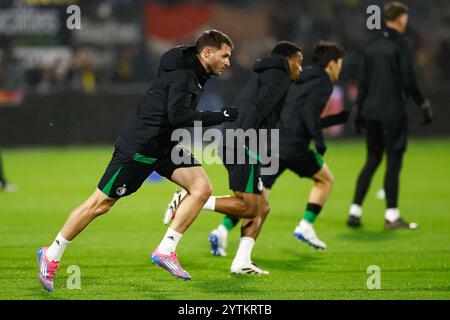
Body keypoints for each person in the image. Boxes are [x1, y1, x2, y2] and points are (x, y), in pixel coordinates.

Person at [37, 30, 238, 292]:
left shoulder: (189, 61)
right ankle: (51, 253)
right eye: (225, 55)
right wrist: (219, 115)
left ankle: (166, 250)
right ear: (208, 53)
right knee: (100, 204)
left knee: (202, 188)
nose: (228, 62)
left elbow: (171, 58)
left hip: (164, 145)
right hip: (140, 145)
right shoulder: (186, 76)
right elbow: (179, 116)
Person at [164, 41, 303, 275]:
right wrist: (246, 141)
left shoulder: (268, 74)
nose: (300, 68)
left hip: (242, 141)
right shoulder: (279, 76)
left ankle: (242, 261)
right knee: (250, 207)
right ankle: (190, 199)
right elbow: (258, 109)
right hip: (243, 143)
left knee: (262, 207)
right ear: (287, 59)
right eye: (298, 62)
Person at [209, 41, 346, 259]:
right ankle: (306, 225)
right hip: (291, 146)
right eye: (339, 63)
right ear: (331, 64)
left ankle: (225, 234)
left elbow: (277, 109)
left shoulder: (292, 78)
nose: (300, 67)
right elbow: (306, 114)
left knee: (257, 201)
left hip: (272, 144)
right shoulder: (316, 82)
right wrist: (320, 141)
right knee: (325, 180)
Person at [347, 2, 433, 229]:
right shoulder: (402, 45)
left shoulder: (371, 46)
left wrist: (358, 110)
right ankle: (392, 216)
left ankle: (354, 211)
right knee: (393, 162)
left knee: (372, 159)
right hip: (392, 112)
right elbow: (408, 78)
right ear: (401, 19)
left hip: (370, 112)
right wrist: (422, 103)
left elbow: (363, 82)